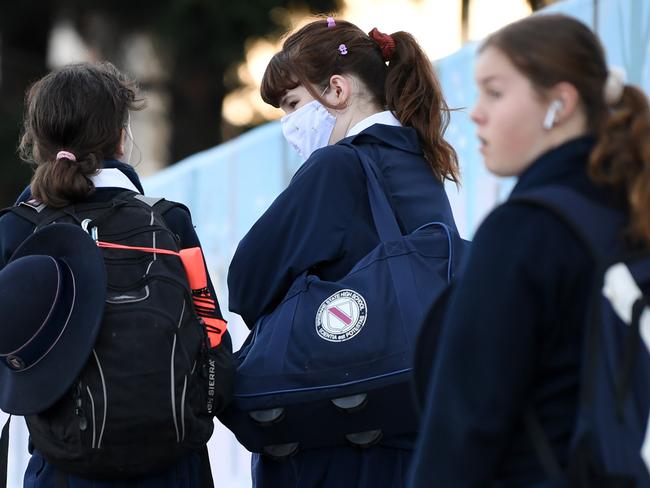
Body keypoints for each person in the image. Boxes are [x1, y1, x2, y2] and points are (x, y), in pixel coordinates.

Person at [409, 13, 650, 486]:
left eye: (494, 93)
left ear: (558, 104)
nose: (476, 112)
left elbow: (465, 424)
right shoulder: (630, 212)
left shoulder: (525, 231)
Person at [227, 16, 460, 488]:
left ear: (336, 90)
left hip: (339, 438)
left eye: (291, 103)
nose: (289, 124)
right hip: (416, 433)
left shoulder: (336, 166)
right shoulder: (424, 162)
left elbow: (246, 283)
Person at [0, 61, 231, 487]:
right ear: (122, 139)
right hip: (175, 463)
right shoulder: (168, 220)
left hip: (64, 465)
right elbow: (213, 332)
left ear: (37, 144)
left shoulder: (19, 228)